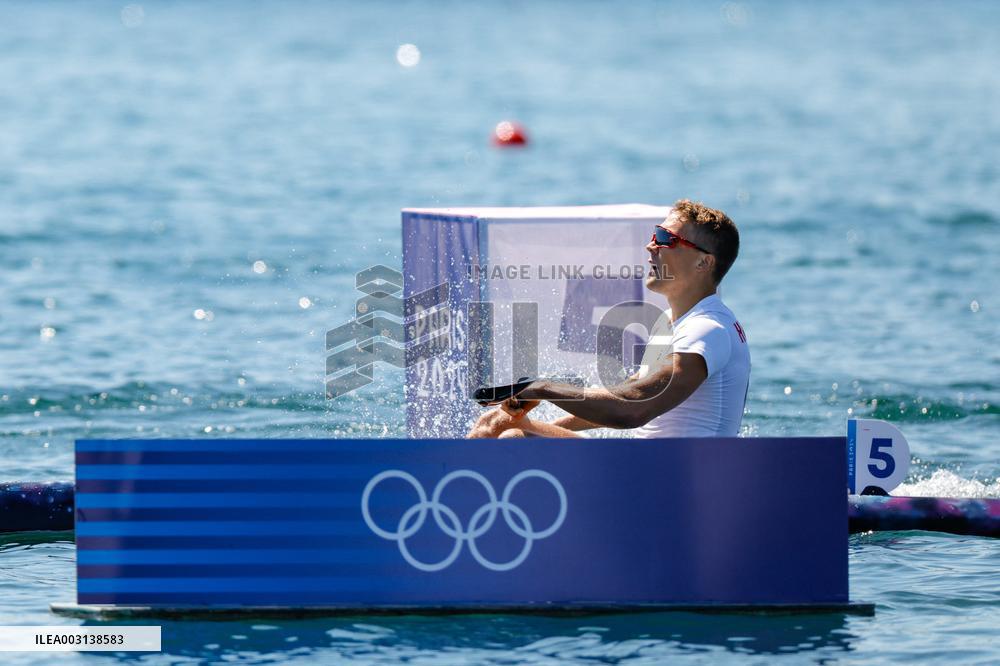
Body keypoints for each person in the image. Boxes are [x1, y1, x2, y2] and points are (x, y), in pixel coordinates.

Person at [467, 199, 750, 439]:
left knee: (514, 438)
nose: (651, 246)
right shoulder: (670, 321)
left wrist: (544, 388)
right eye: (655, 235)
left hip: (674, 476)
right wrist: (549, 424)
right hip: (644, 465)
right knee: (494, 424)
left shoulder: (707, 329)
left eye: (666, 239)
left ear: (704, 262)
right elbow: (624, 394)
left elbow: (634, 408)